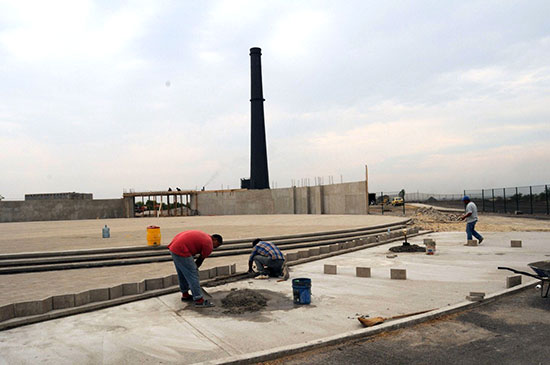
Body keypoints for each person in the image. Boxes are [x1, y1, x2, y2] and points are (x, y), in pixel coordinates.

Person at [168, 230, 223, 307]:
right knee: (192, 275)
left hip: (174, 247)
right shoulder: (209, 243)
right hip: (181, 249)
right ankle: (199, 300)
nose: (216, 247)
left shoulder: (205, 236)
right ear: (215, 239)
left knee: (182, 273)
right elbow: (200, 260)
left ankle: (185, 295)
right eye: (217, 245)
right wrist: (194, 269)